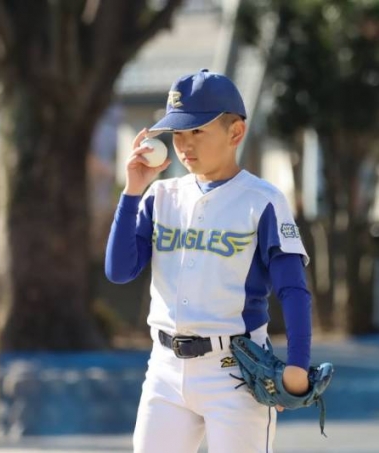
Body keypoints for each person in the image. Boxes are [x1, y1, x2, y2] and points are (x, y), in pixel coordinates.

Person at [105, 69, 313, 453]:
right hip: (165, 369)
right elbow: (119, 271)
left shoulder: (263, 200)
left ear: (236, 133)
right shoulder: (160, 196)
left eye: (197, 130)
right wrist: (133, 191)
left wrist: (298, 365)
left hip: (236, 370)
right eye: (177, 133)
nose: (184, 144)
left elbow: (293, 289)